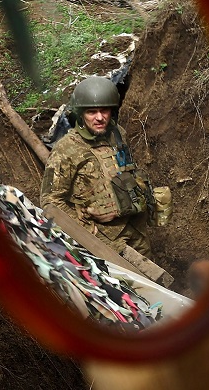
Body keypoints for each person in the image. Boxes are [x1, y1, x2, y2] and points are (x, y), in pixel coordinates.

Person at [41, 76, 164, 258]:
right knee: (126, 283)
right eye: (92, 112)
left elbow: (126, 172)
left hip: (135, 228)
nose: (100, 118)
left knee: (153, 279)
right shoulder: (66, 149)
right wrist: (86, 231)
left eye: (104, 110)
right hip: (104, 237)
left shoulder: (118, 133)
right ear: (81, 114)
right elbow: (50, 202)